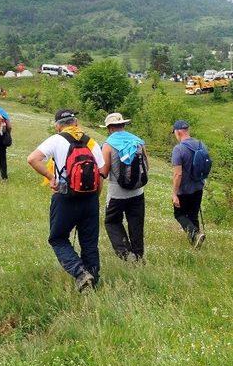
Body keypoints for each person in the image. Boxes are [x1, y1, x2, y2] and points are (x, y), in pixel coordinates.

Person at [27, 109, 104, 292]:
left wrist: (50, 177)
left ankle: (80, 273)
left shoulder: (56, 139)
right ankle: (93, 282)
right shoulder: (91, 142)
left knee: (58, 238)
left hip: (64, 196)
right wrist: (94, 199)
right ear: (76, 122)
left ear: (58, 126)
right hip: (91, 198)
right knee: (89, 243)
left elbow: (32, 159)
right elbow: (100, 175)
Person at [100, 113, 148, 262]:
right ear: (123, 125)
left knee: (112, 221)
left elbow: (104, 171)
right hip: (138, 192)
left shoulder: (108, 145)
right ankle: (138, 257)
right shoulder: (138, 142)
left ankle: (126, 255)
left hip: (116, 194)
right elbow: (147, 166)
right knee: (136, 223)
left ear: (109, 128)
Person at [171, 120, 207, 249]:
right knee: (193, 215)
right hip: (198, 187)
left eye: (174, 132)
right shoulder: (200, 144)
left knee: (179, 214)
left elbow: (178, 174)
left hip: (184, 190)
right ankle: (196, 245)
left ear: (178, 131)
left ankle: (194, 233)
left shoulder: (178, 149)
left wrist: (174, 194)